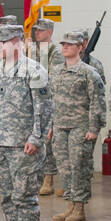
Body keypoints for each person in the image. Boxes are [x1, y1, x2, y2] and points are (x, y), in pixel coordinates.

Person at [0, 23, 52, 221]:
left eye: (5, 42)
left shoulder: (33, 70)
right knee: (7, 195)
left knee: (25, 196)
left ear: (19, 42)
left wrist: (36, 138)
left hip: (23, 146)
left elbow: (43, 108)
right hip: (0, 144)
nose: (0, 47)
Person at [48, 30, 103, 221]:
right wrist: (50, 125)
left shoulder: (89, 73)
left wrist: (94, 128)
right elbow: (51, 100)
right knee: (64, 168)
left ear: (81, 48)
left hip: (81, 126)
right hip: (61, 125)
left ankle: (79, 207)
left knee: (79, 166)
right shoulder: (55, 71)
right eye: (63, 44)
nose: (65, 47)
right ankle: (70, 205)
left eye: (70, 45)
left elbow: (97, 102)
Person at [27, 19, 65, 196]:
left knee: (48, 141)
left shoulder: (55, 52)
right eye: (36, 30)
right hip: (33, 100)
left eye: (40, 31)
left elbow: (50, 77)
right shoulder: (33, 51)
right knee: (35, 139)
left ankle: (49, 178)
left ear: (49, 32)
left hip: (48, 99)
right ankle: (37, 176)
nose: (37, 34)